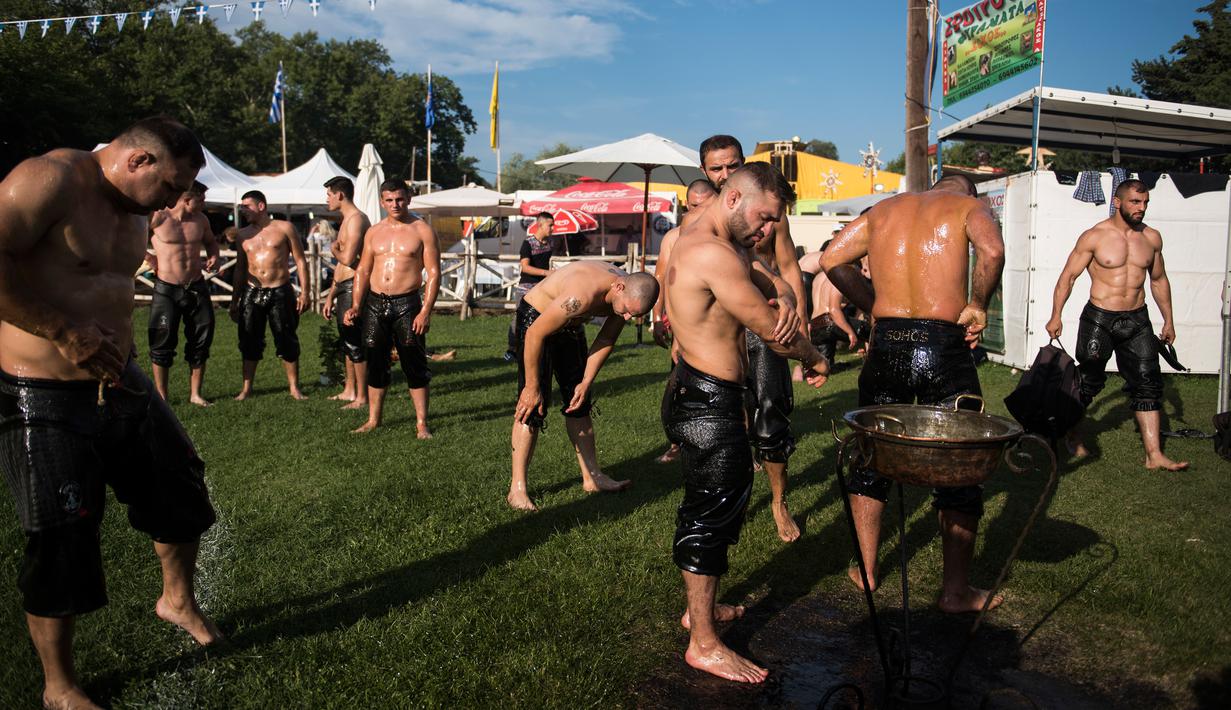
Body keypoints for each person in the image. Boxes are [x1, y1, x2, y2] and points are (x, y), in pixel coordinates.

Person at [0, 116, 221, 710]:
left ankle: (176, 600)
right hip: (39, 385)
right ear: (137, 162)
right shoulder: (46, 180)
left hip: (118, 377)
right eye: (170, 186)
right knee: (61, 533)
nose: (176, 202)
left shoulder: (133, 207)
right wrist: (60, 329)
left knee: (179, 486)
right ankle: (59, 685)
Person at [664, 163, 829, 683]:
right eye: (763, 219)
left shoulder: (704, 235)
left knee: (724, 502)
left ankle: (703, 611)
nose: (765, 232)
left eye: (773, 224)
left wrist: (776, 283)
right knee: (709, 515)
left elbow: (758, 272)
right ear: (733, 197)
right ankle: (703, 642)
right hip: (706, 401)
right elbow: (774, 335)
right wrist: (813, 356)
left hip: (700, 388)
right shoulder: (711, 250)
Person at [821, 173, 1006, 613]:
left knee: (872, 451)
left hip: (887, 343)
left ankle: (866, 571)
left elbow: (832, 259)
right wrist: (977, 303)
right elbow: (993, 251)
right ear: (967, 191)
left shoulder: (885, 209)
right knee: (958, 459)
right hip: (943, 344)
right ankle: (955, 593)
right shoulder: (967, 207)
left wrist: (872, 304)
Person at [697, 134, 810, 543]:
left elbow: (788, 265)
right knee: (725, 420)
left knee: (770, 414)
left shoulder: (766, 209)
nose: (726, 174)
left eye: (732, 165)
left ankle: (779, 502)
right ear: (705, 173)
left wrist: (801, 316)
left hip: (766, 326)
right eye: (717, 168)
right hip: (715, 331)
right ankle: (733, 500)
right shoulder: (698, 220)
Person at [1045, 179, 1188, 471]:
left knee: (1148, 382)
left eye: (1145, 202)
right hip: (1100, 318)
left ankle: (1154, 455)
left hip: (1137, 319)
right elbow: (1068, 276)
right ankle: (1069, 433)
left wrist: (1169, 319)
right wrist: (1056, 314)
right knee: (1088, 382)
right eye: (1135, 202)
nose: (1142, 208)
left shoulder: (1151, 238)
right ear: (1117, 202)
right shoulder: (1095, 236)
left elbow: (1158, 280)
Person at [508, 262, 659, 511]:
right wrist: (532, 387)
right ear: (619, 287)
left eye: (634, 315)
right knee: (531, 406)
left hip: (570, 324)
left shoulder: (627, 296)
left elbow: (607, 338)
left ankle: (592, 477)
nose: (627, 318)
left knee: (579, 402)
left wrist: (586, 381)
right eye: (627, 312)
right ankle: (517, 489)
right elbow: (535, 334)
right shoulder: (582, 295)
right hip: (536, 319)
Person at [343, 179, 440, 436]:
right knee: (375, 360)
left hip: (407, 303)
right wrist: (355, 305)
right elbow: (363, 269)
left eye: (399, 199)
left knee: (413, 362)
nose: (395, 204)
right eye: (389, 200)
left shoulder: (422, 230)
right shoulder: (373, 232)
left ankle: (421, 423)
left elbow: (433, 272)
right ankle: (374, 419)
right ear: (381, 202)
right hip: (375, 303)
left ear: (408, 198)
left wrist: (425, 310)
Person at [652, 178, 717, 464]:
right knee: (678, 385)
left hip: (718, 327)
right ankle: (677, 443)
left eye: (702, 207)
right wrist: (657, 316)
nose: (696, 213)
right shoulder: (673, 237)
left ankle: (733, 446)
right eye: (692, 207)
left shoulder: (723, 236)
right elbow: (661, 278)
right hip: (682, 323)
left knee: (728, 387)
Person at [145, 180, 220, 406]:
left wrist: (214, 255)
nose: (204, 204)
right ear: (187, 200)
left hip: (195, 286)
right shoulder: (158, 217)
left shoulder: (201, 220)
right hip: (166, 287)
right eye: (201, 200)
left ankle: (195, 394)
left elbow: (211, 243)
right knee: (161, 339)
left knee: (201, 339)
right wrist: (150, 258)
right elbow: (132, 237)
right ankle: (161, 395)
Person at [229, 190, 310, 400]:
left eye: (247, 206)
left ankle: (294, 387)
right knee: (248, 340)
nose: (243, 210)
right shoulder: (243, 234)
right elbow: (240, 268)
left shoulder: (285, 228)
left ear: (261, 206)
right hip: (251, 291)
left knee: (287, 339)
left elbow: (301, 260)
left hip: (280, 290)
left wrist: (306, 292)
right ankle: (246, 388)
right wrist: (234, 300)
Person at [320, 177, 371, 410]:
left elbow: (348, 259)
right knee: (347, 343)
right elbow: (340, 268)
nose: (327, 199)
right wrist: (330, 295)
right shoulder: (346, 221)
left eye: (329, 194)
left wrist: (333, 249)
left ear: (340, 195)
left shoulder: (357, 220)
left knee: (355, 341)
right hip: (343, 286)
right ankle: (350, 390)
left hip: (354, 286)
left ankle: (362, 397)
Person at [797, 238, 858, 372]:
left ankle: (809, 359)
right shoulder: (828, 259)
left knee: (807, 317)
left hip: (798, 275)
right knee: (816, 315)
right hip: (807, 277)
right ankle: (804, 360)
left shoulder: (813, 255)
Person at [504, 212, 555, 362]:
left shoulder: (549, 244)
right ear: (540, 225)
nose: (553, 228)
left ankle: (537, 349)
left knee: (542, 319)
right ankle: (512, 350)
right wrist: (547, 273)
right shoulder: (528, 243)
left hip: (542, 289)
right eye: (550, 225)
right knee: (520, 319)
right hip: (526, 289)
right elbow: (525, 268)